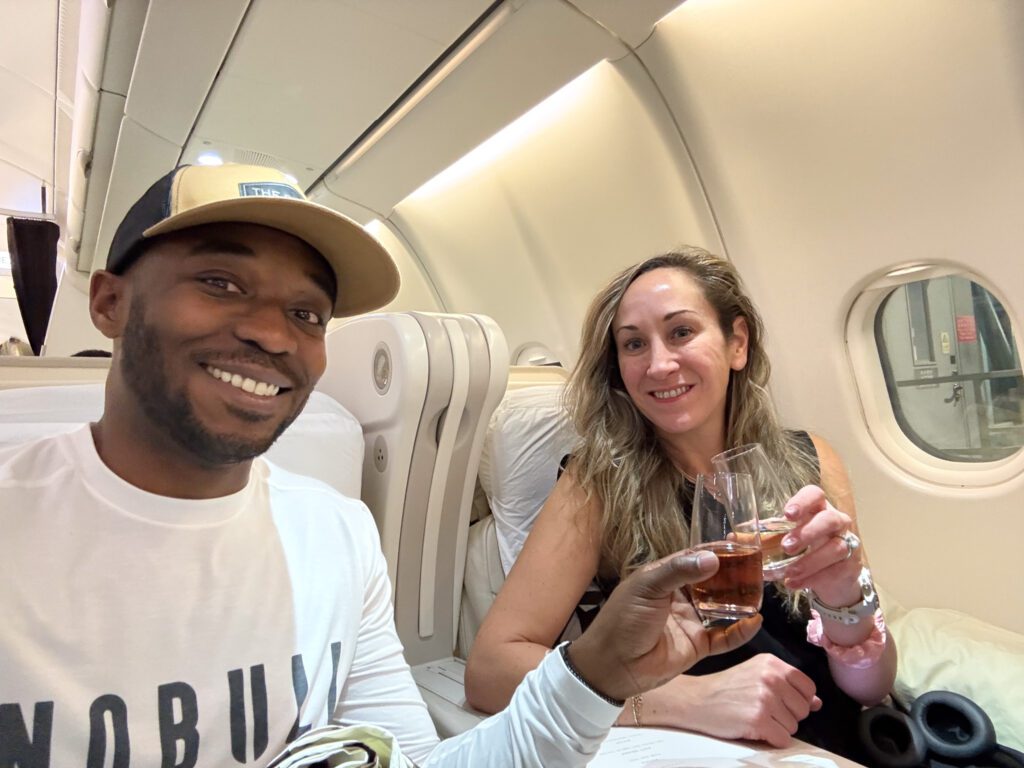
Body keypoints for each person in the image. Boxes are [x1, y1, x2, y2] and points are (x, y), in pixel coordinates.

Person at [0, 165, 761, 768]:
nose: (272, 333)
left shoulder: (336, 533)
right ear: (109, 302)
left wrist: (593, 677)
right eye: (220, 282)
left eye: (307, 313)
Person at [465, 248, 898, 761]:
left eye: (681, 332)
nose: (659, 364)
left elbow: (870, 687)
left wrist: (845, 597)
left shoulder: (812, 461)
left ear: (737, 343)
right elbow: (490, 670)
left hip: (841, 746)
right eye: (633, 344)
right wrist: (689, 700)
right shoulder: (599, 483)